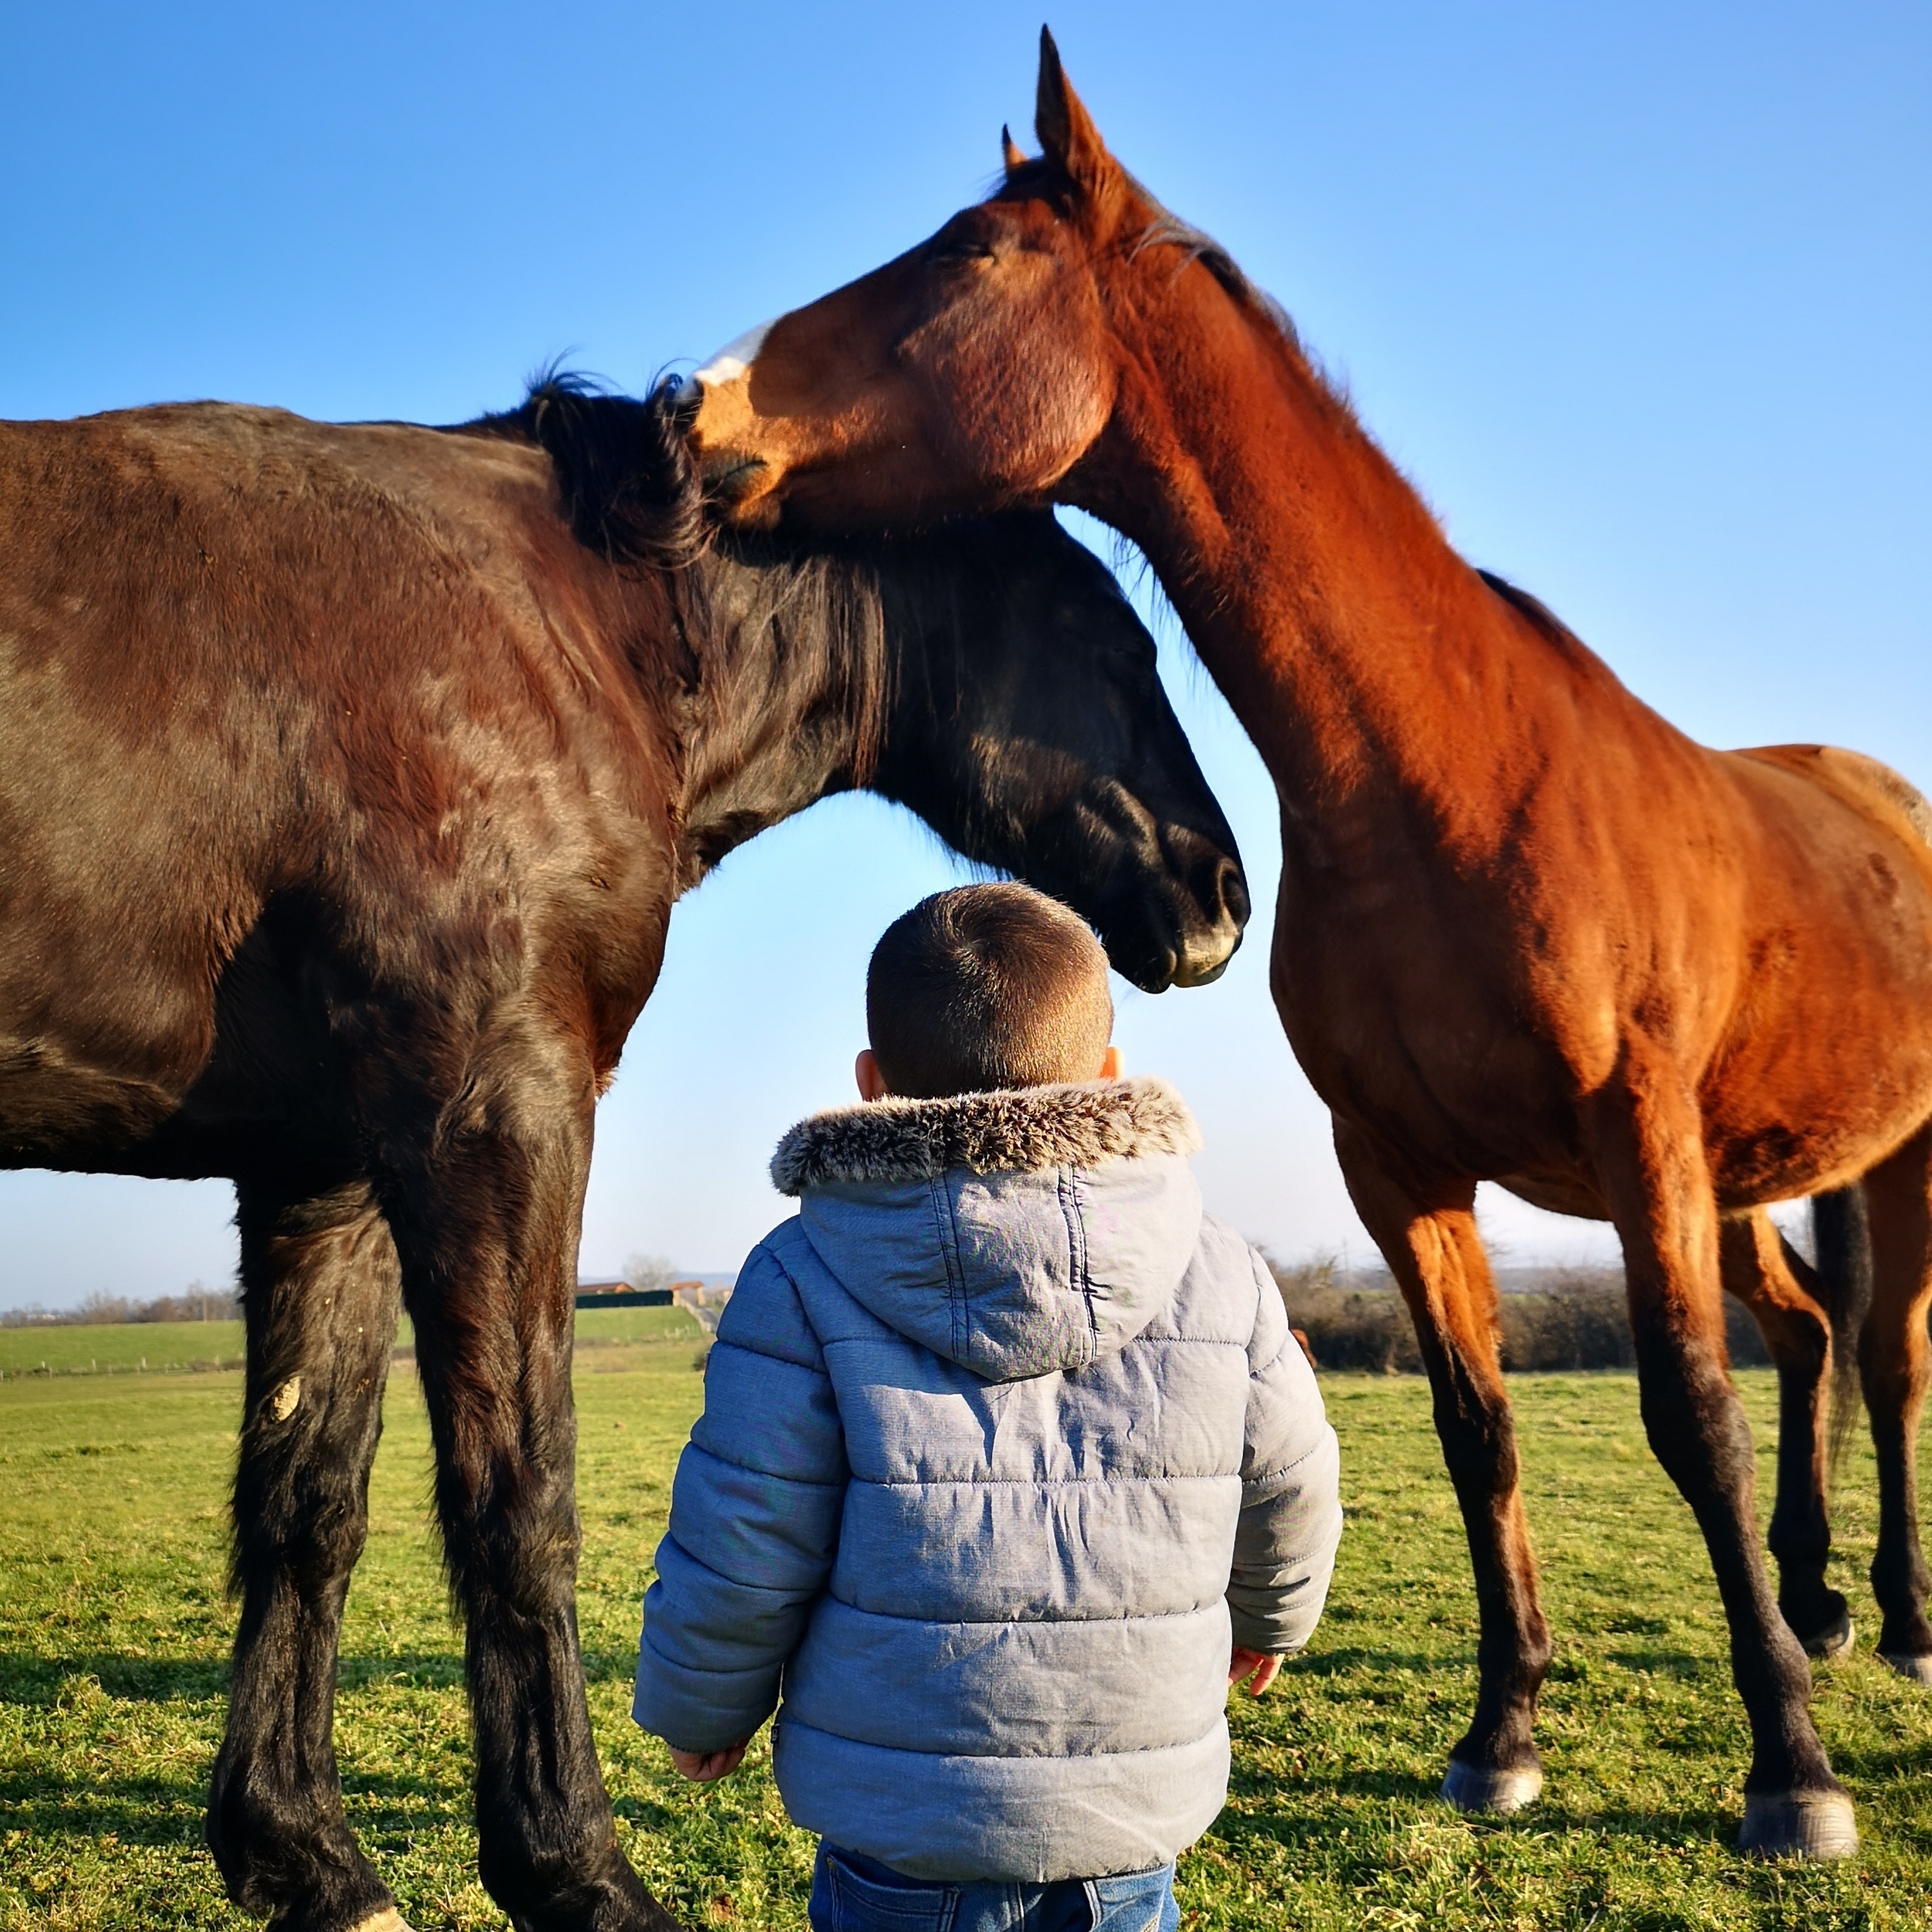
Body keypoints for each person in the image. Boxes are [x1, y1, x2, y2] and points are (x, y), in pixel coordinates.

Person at [631, 883, 1342, 1932]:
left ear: (872, 1087)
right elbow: (1291, 1477)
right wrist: (1273, 1616)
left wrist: (704, 1705)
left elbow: (746, 1525)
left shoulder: (797, 1275)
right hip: (1127, 1833)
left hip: (901, 1839)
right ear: (1108, 1075)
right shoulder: (1220, 1268)